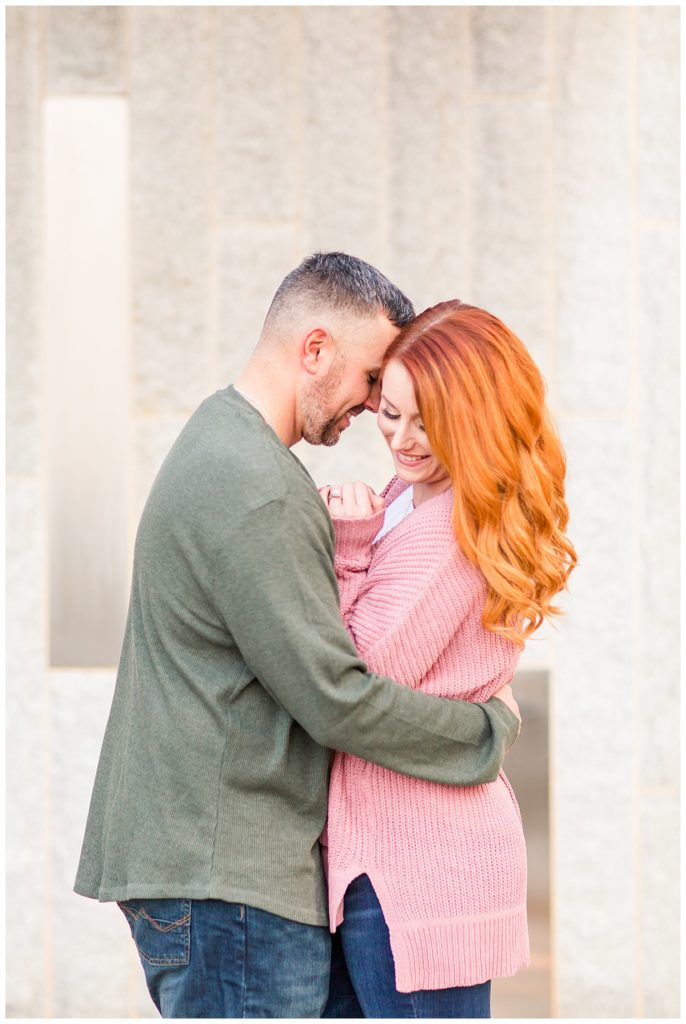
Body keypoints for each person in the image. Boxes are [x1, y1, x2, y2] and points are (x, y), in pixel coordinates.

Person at [74, 254, 521, 1019]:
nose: (375, 406)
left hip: (218, 873)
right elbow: (338, 695)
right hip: (230, 880)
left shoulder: (221, 443)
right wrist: (485, 731)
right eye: (374, 379)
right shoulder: (259, 489)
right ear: (314, 349)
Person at [320, 299, 577, 1019]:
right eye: (390, 410)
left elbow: (352, 676)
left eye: (428, 420)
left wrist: (348, 546)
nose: (402, 437)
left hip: (417, 872)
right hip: (411, 857)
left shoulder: (450, 528)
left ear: (473, 415)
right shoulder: (417, 494)